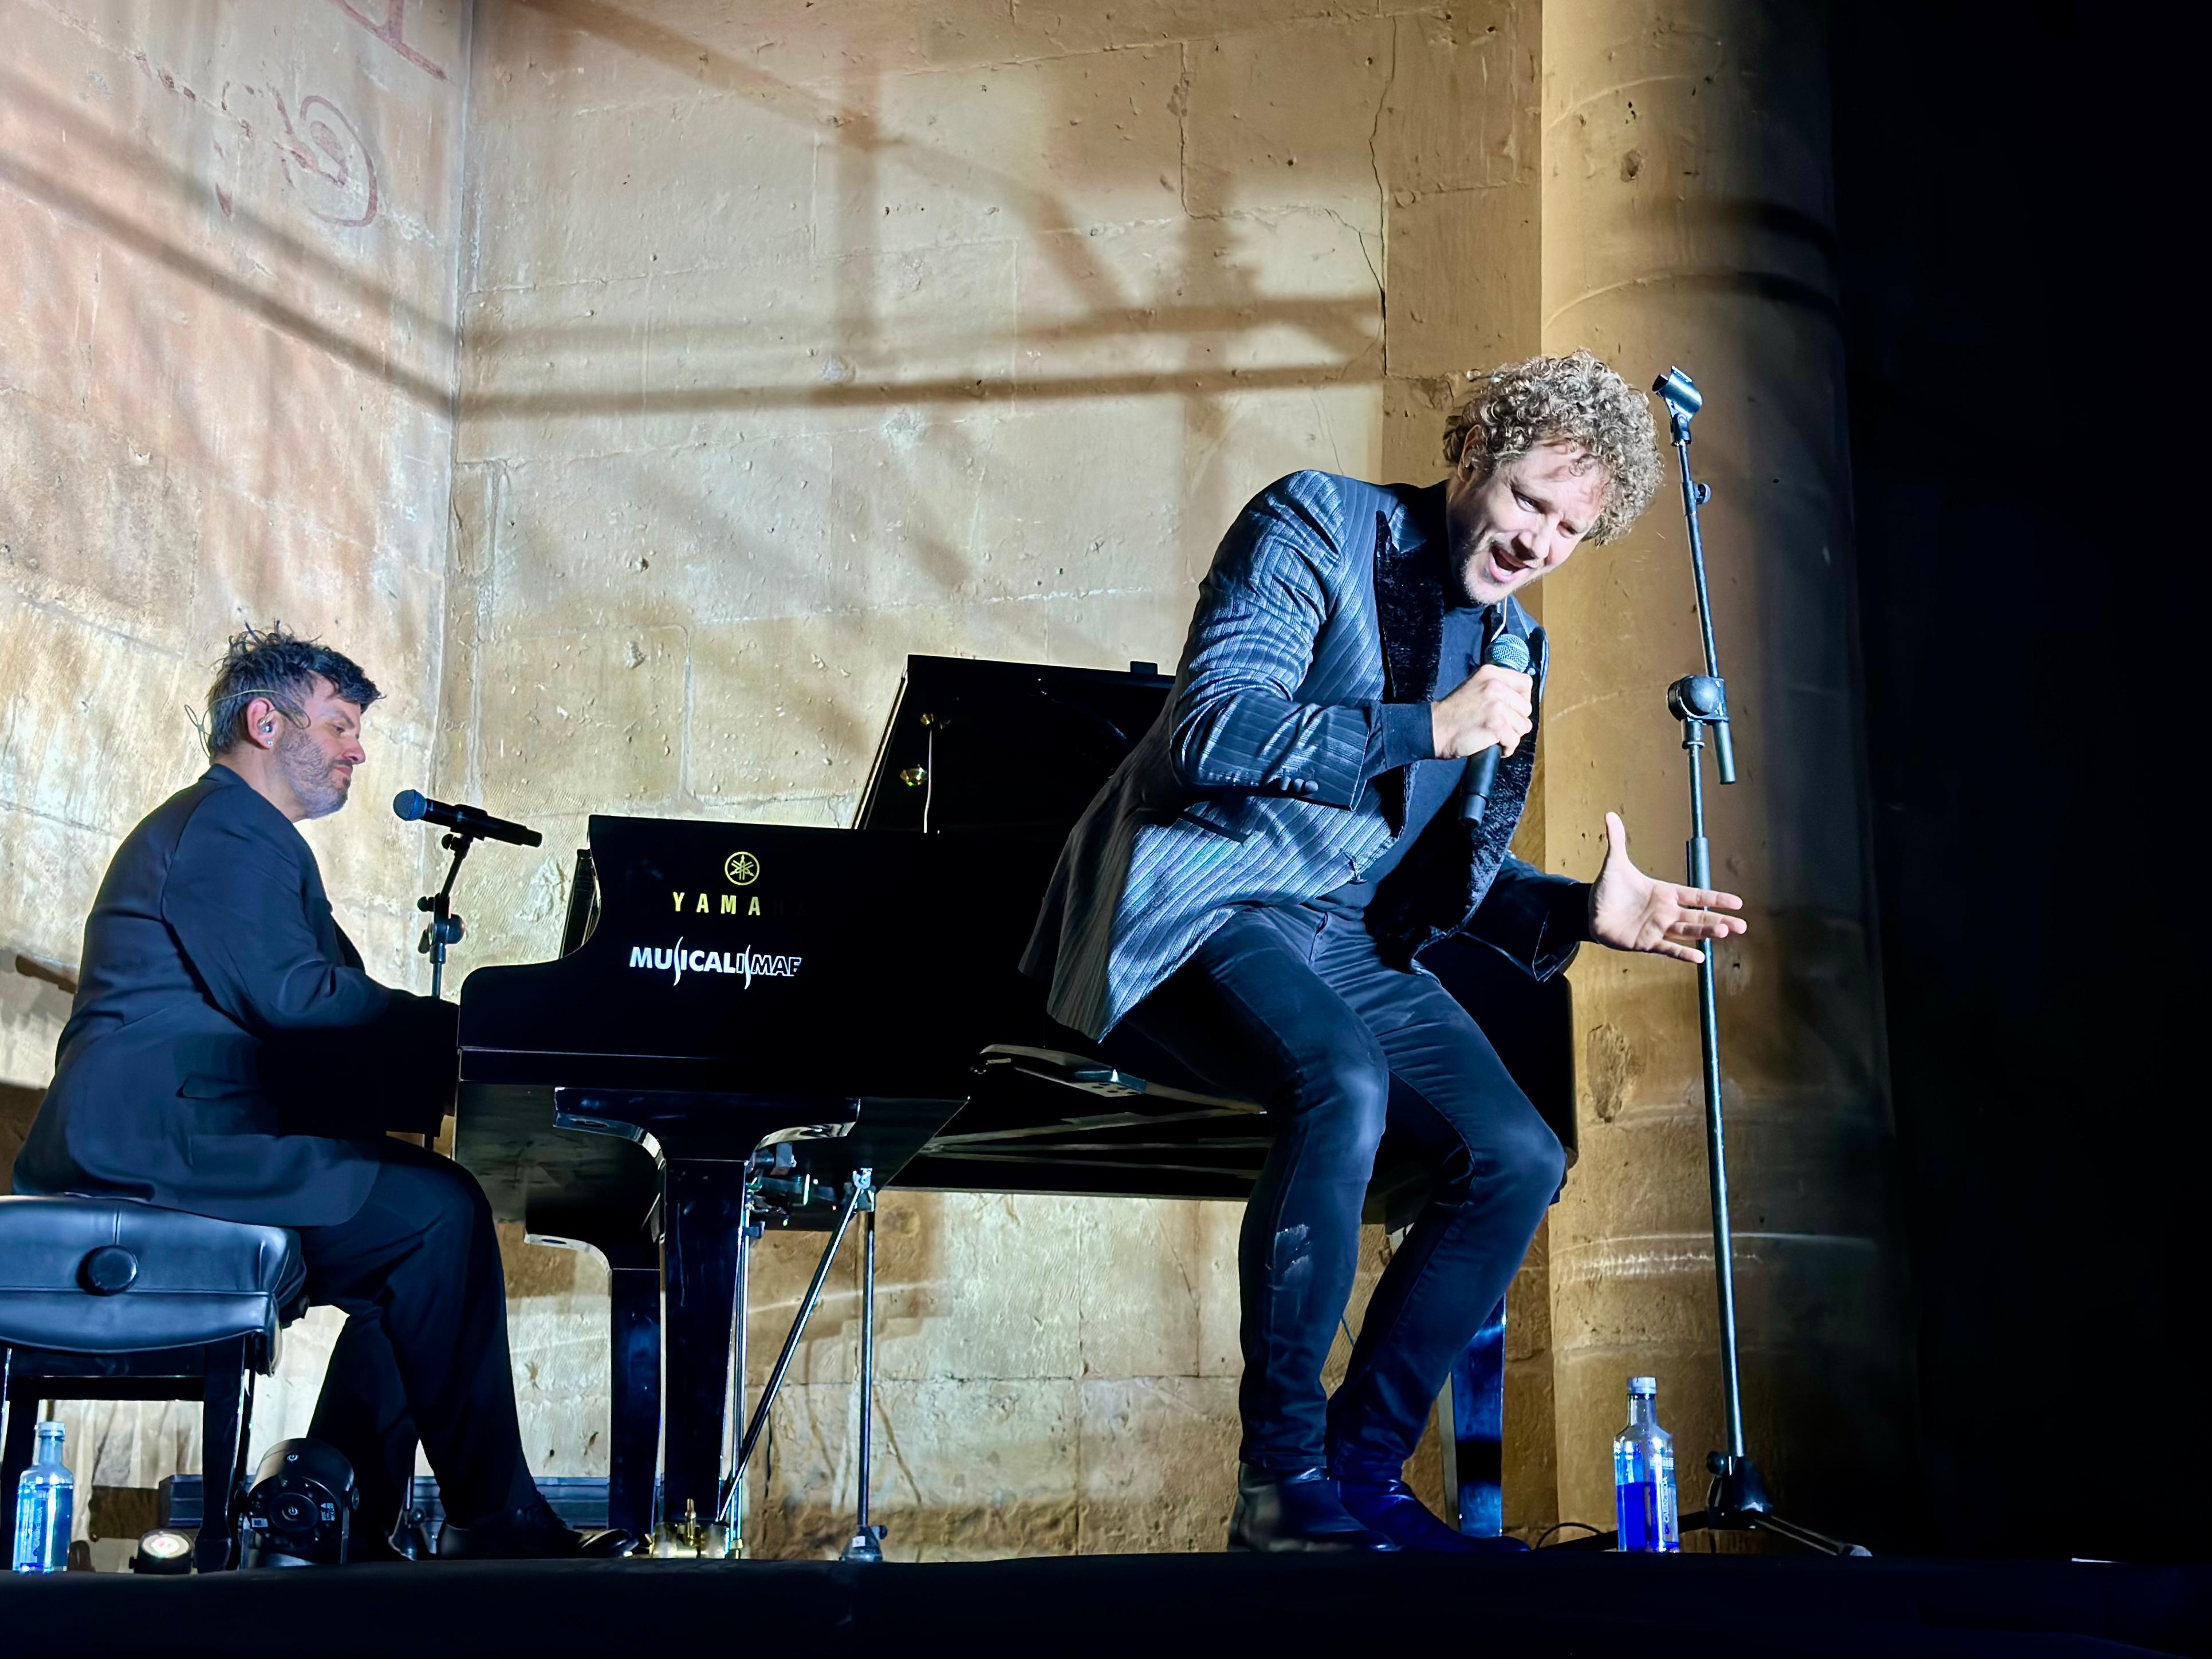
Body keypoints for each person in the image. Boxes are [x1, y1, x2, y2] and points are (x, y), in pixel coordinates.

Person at [1024, 352, 1749, 1552]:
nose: (1536, 543)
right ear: (1472, 453)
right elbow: (1208, 727)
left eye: (1570, 530)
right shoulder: (1316, 520)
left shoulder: (1518, 646)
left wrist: (1579, 911)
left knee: (1515, 1154)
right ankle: (1278, 1482)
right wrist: (1427, 722)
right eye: (1527, 500)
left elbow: (1413, 861)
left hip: (1346, 937)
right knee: (1340, 1080)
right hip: (1213, 890)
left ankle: (1358, 1479)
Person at [11, 625, 628, 1562]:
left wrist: (452, 1056)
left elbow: (298, 1009)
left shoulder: (241, 835)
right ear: (266, 721)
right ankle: (491, 1522)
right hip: (160, 1138)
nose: (358, 749)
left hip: (204, 1126)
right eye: (339, 724)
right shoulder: (224, 825)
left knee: (419, 1239)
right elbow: (296, 998)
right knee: (435, 1215)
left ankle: (337, 1517)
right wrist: (474, 1034)